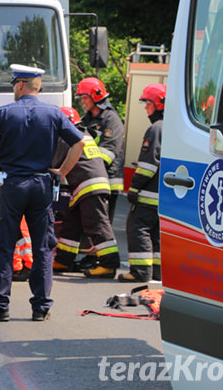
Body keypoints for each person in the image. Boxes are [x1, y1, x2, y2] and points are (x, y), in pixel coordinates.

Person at [0, 65, 85, 322]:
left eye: (14, 84)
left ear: (20, 85)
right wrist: (60, 170)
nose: (13, 89)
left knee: (4, 245)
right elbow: (78, 142)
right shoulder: (54, 113)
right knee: (43, 247)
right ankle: (41, 307)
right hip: (42, 185)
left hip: (12, 186)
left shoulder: (3, 113)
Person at [52, 107, 120, 279]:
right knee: (71, 223)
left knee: (96, 224)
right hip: (88, 185)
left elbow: (53, 162)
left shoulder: (66, 136)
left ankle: (108, 264)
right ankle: (63, 260)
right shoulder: (84, 134)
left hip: (88, 185)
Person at [119, 83, 165, 283]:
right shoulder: (172, 128)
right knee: (155, 233)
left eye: (147, 104)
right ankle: (156, 271)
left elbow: (148, 165)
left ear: (157, 104)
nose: (146, 109)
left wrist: (134, 187)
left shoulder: (155, 129)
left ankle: (139, 272)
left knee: (138, 227)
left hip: (148, 195)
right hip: (163, 196)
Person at [76, 78, 125, 222]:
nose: (82, 102)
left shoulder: (111, 120)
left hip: (108, 181)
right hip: (90, 178)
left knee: (101, 225)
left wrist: (85, 166)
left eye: (84, 97)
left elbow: (108, 153)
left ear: (95, 96)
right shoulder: (87, 120)